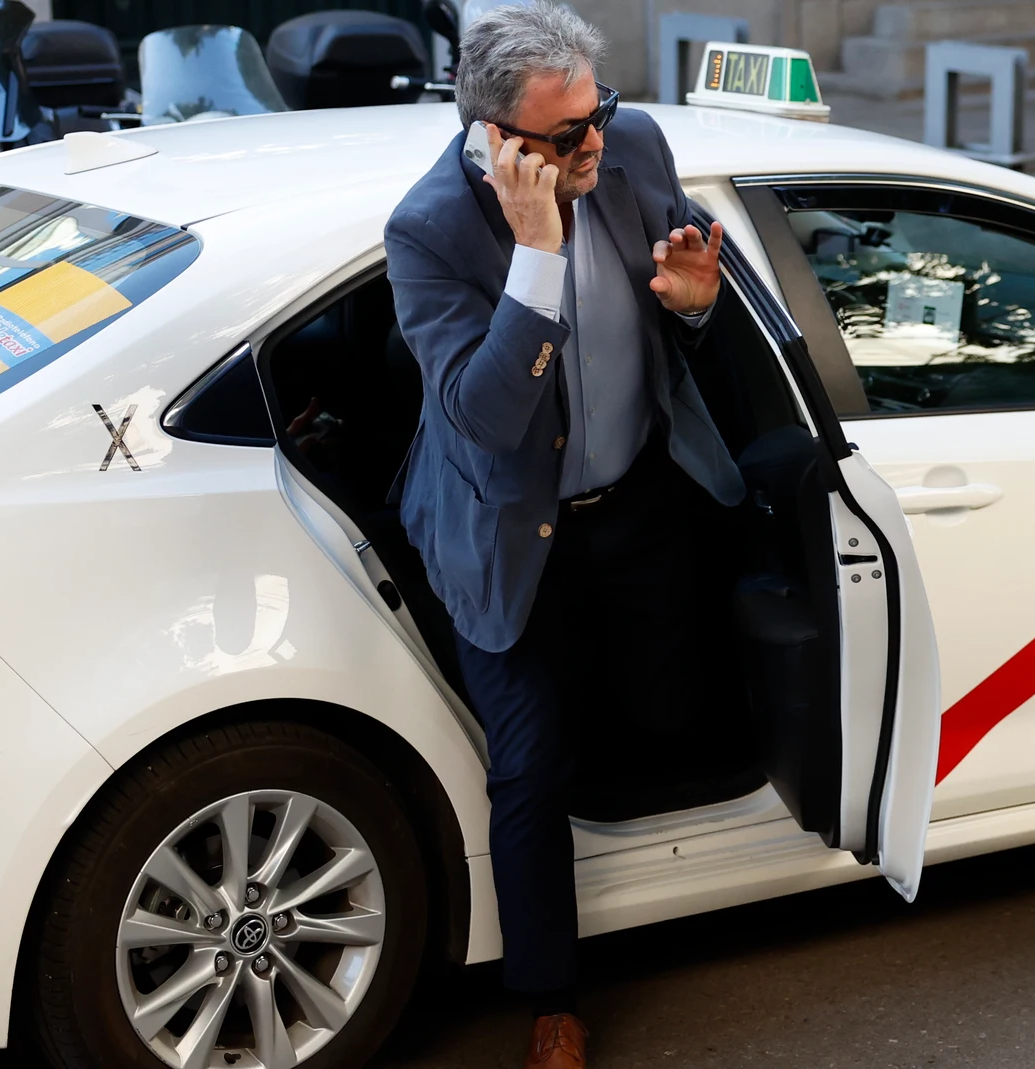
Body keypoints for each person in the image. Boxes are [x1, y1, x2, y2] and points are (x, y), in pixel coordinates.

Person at [384, 5, 744, 1066]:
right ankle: (548, 996)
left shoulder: (628, 146)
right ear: (497, 141)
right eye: (564, 135)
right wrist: (537, 254)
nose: (594, 142)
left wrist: (691, 305)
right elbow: (489, 419)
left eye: (599, 113)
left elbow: (684, 286)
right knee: (531, 768)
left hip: (635, 498)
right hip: (506, 533)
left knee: (665, 702)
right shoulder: (429, 231)